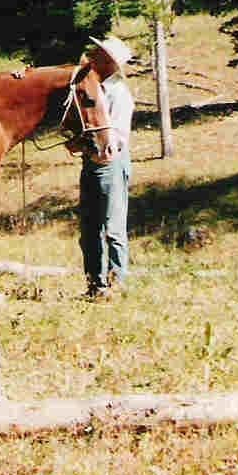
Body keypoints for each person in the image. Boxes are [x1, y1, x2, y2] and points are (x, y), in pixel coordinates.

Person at [68, 35, 135, 299]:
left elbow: (115, 141)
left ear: (109, 62)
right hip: (91, 163)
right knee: (89, 228)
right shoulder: (91, 86)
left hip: (111, 163)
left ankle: (117, 282)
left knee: (112, 227)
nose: (93, 55)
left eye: (99, 52)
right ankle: (96, 284)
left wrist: (88, 148)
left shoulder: (118, 93)